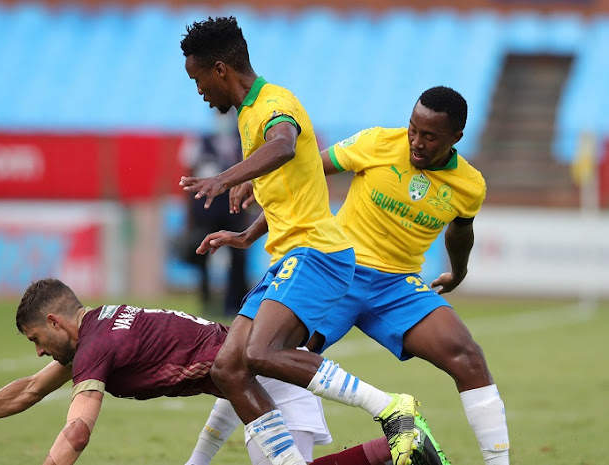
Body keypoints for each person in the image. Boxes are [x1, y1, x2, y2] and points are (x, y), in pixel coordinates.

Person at [217, 86, 510, 465]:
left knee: (468, 358)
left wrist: (458, 271)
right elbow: (301, 177)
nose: (416, 143)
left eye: (430, 136)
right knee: (260, 357)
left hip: (398, 287)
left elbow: (460, 230)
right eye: (412, 130)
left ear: (456, 138)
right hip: (338, 271)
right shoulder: (376, 143)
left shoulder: (470, 185)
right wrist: (252, 214)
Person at [180, 16, 418, 465]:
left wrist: (225, 177)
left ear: (220, 70)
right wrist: (246, 235)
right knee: (229, 367)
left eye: (197, 79)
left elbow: (285, 145)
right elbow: (292, 189)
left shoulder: (273, 103)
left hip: (317, 254)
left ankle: (391, 407)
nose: (198, 91)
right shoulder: (249, 115)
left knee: (260, 353)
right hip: (289, 256)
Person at [0, 278, 448, 465]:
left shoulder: (93, 348)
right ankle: (393, 452)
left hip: (265, 382)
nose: (39, 354)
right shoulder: (100, 330)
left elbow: (78, 429)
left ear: (53, 321)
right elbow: (26, 393)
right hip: (249, 383)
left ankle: (396, 445)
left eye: (36, 341)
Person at [178, 111, 250, 315]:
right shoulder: (200, 140)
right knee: (203, 255)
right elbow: (187, 177)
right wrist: (189, 213)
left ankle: (235, 302)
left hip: (233, 205)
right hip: (205, 209)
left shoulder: (242, 140)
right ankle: (206, 301)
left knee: (238, 255)